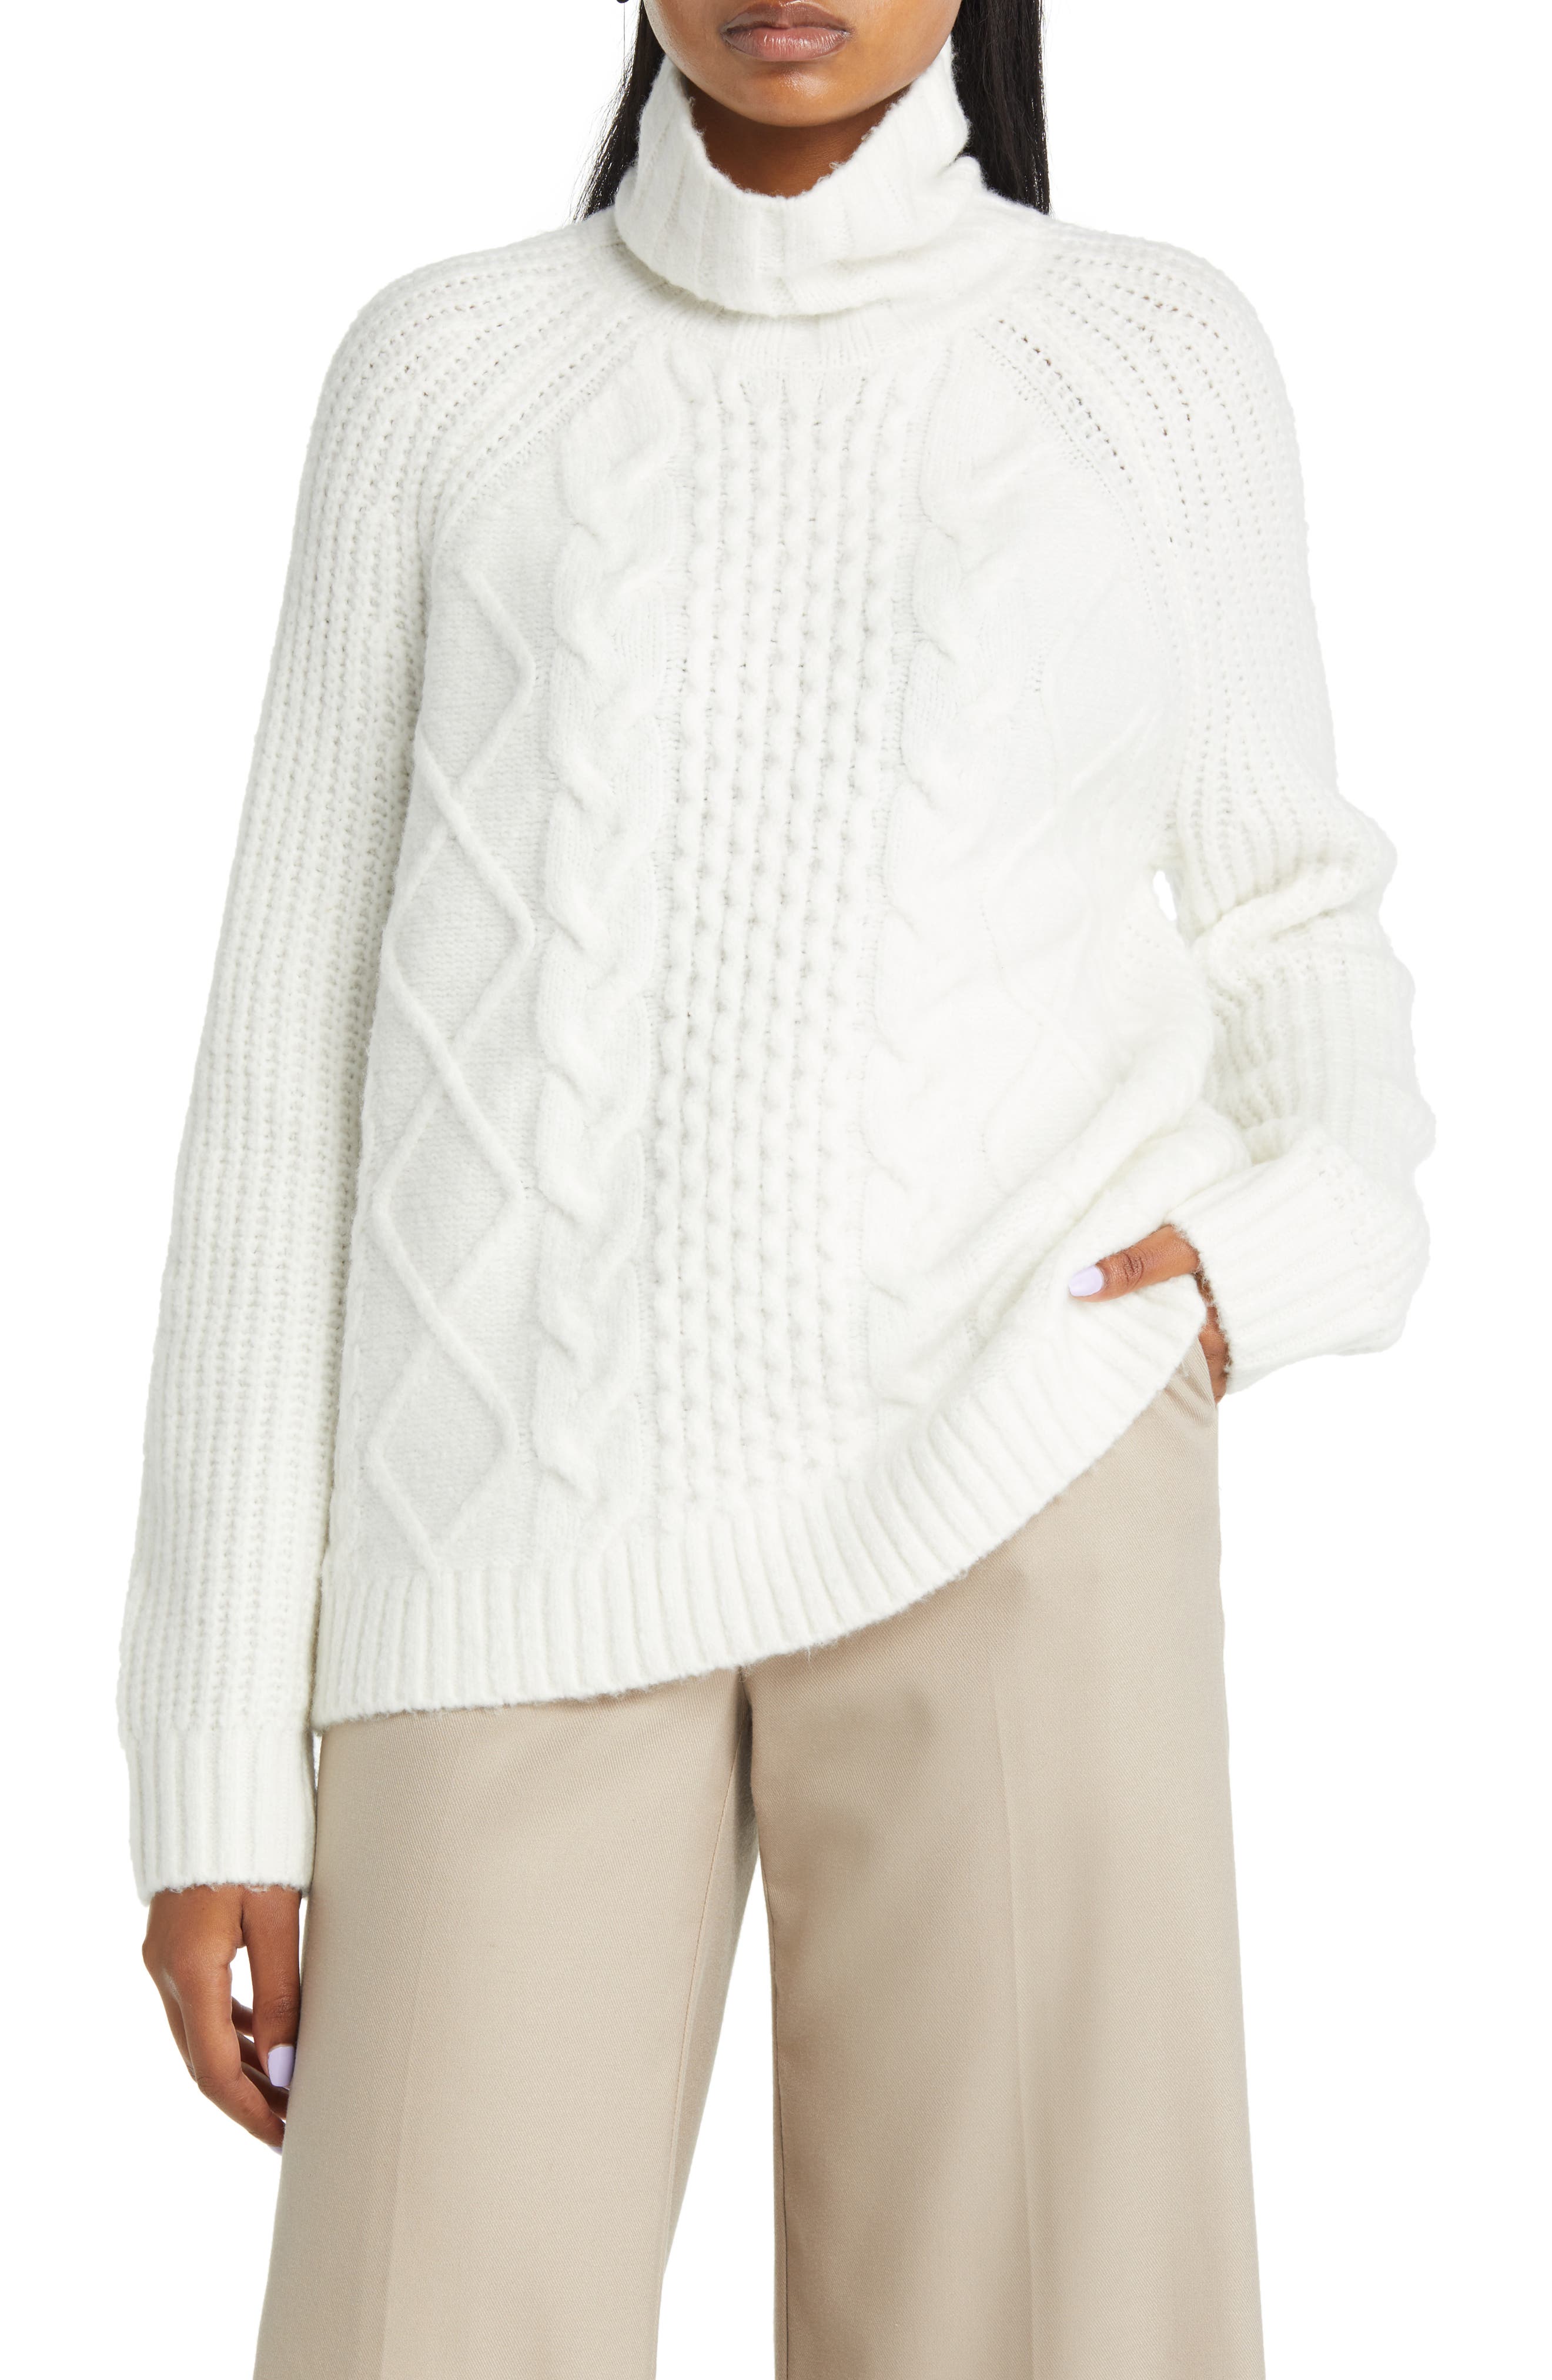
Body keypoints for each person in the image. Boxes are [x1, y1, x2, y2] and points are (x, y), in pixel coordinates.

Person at [122, 3, 1433, 2373]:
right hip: (497, 1515)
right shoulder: (444, 378)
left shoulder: (1147, 361)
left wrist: (1277, 1252)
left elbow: (1287, 911)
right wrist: (214, 1755)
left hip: (1023, 1457)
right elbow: (283, 1067)